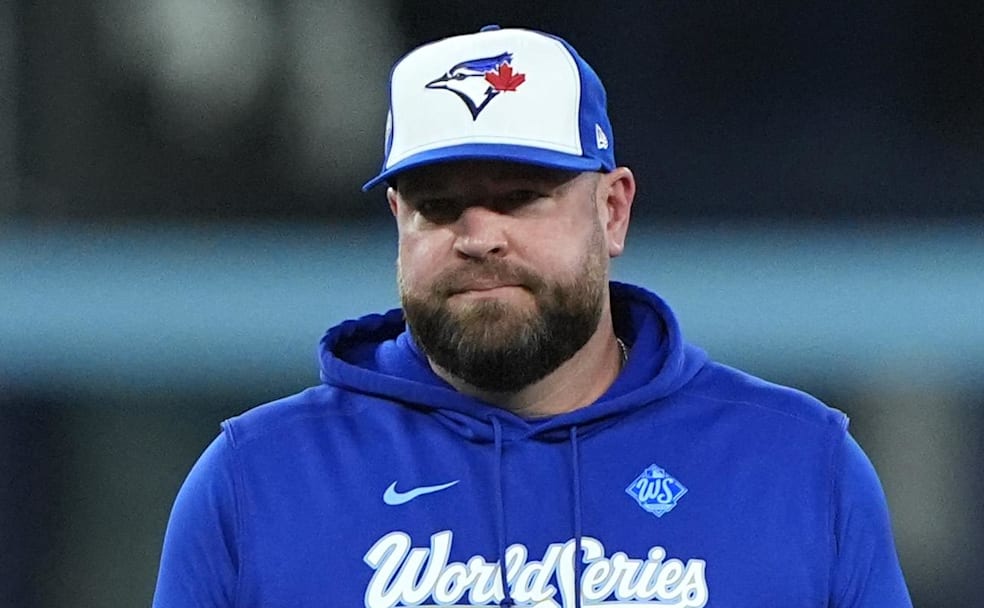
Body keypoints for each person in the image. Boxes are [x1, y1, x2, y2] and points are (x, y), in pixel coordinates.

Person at [152, 25, 912, 607]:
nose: (478, 237)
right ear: (397, 222)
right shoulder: (259, 480)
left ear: (612, 211)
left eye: (520, 198)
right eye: (437, 207)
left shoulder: (795, 466)